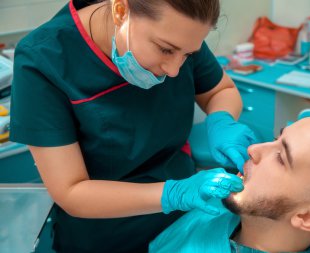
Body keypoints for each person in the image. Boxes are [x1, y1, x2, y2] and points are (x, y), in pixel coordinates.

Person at [10, 0, 257, 252]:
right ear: (120, 11)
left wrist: (221, 120)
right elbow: (71, 191)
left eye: (188, 55)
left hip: (182, 222)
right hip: (103, 233)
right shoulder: (43, 58)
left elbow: (221, 90)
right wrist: (175, 193)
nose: (174, 70)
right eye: (165, 50)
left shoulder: (178, 33)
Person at [149, 117, 310, 253]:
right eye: (276, 139)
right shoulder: (229, 203)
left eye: (281, 158)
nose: (254, 149)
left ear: (308, 218)